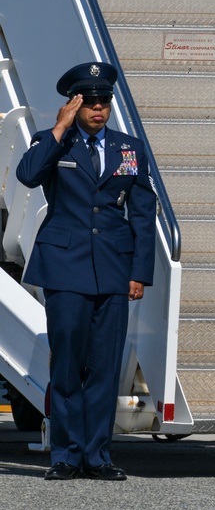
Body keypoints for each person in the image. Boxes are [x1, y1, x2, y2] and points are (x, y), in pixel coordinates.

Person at [16, 62, 156, 481]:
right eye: (88, 101)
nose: (98, 108)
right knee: (67, 366)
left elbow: (144, 214)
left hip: (113, 270)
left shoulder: (128, 148)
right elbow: (27, 175)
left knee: (103, 366)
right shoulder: (52, 142)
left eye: (104, 101)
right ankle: (65, 454)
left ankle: (97, 456)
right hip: (65, 268)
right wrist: (59, 129)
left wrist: (139, 272)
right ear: (73, 104)